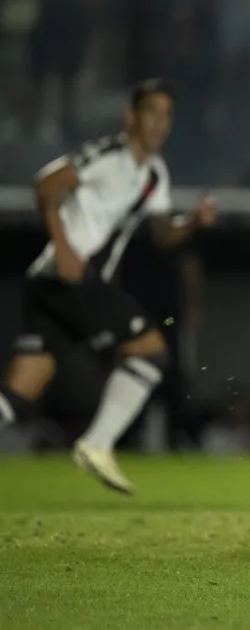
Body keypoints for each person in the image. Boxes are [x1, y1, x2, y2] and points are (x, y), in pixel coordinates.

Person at [0, 79, 217, 493]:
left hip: (55, 284)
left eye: (167, 115)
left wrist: (191, 222)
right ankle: (97, 444)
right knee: (151, 352)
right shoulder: (108, 155)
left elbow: (160, 234)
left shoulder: (154, 174)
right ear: (131, 116)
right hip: (68, 277)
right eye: (152, 112)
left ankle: (96, 443)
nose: (160, 123)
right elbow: (46, 184)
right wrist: (63, 246)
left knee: (19, 394)